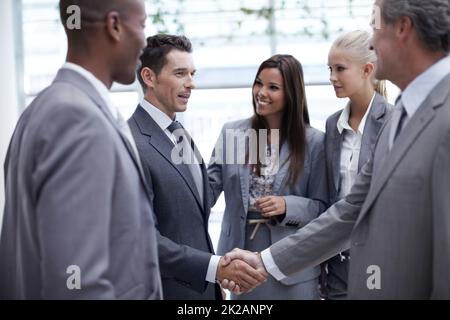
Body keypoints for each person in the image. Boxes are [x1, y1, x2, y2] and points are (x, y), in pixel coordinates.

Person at [223, 0, 450, 299]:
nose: (370, 40)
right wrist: (264, 261)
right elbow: (349, 211)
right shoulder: (401, 118)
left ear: (403, 28)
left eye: (374, 25)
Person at [0, 0, 162, 299]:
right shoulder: (78, 119)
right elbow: (77, 284)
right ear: (114, 26)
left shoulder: (42, 109)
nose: (145, 39)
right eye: (141, 24)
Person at [128, 34, 266, 300]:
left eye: (192, 73)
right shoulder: (130, 142)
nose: (191, 84)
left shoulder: (179, 133)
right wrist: (215, 269)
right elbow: (143, 241)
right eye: (180, 73)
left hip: (201, 292)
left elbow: (193, 212)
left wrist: (213, 281)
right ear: (149, 77)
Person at [208, 54, 329, 299]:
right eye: (258, 83)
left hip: (294, 266)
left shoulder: (315, 142)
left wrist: (287, 205)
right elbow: (206, 189)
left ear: (292, 94)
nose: (261, 92)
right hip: (241, 263)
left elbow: (325, 208)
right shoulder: (232, 133)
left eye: (273, 87)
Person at [321, 30, 392, 299]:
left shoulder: (394, 121)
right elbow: (331, 198)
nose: (332, 77)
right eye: (330, 69)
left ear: (367, 70)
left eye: (340, 69)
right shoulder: (331, 125)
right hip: (337, 263)